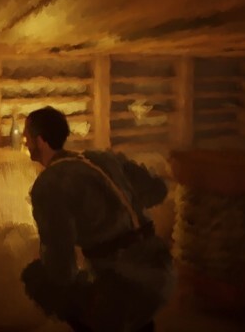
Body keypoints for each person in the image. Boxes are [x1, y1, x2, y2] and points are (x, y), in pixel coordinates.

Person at [20, 106, 175, 332]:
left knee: (36, 276)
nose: (24, 142)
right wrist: (120, 212)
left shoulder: (49, 184)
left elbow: (60, 266)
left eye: (27, 136)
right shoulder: (103, 157)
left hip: (123, 282)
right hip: (161, 271)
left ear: (41, 141)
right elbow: (158, 189)